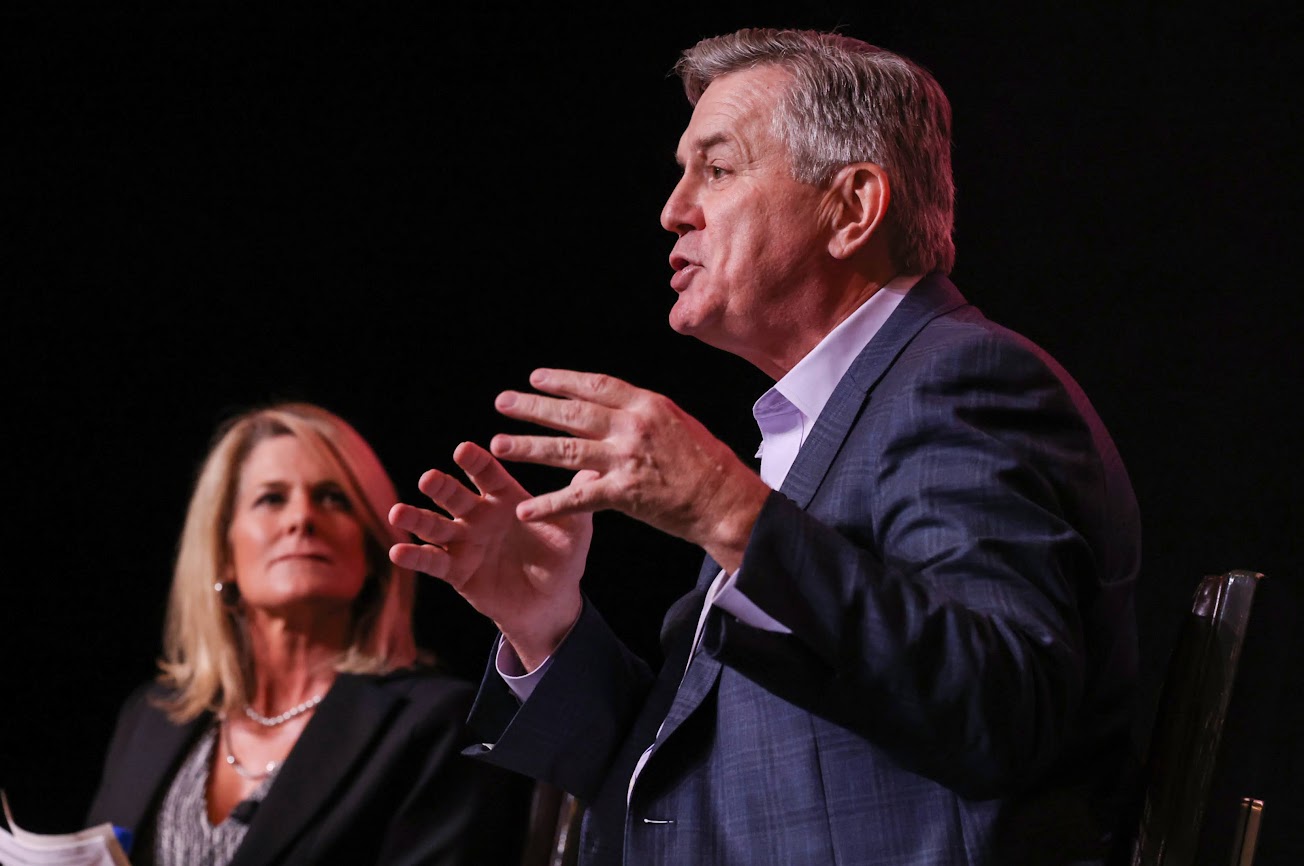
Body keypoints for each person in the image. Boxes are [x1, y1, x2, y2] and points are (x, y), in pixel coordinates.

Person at [390, 28, 1140, 866]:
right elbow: (667, 772)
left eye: (717, 169)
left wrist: (726, 508)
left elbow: (1001, 711)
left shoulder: (963, 381)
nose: (673, 210)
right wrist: (544, 621)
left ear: (852, 208)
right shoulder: (815, 426)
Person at [87, 403, 527, 866]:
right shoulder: (150, 717)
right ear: (223, 553)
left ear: (372, 553)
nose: (303, 518)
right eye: (271, 499)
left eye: (334, 498)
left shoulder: (437, 725)